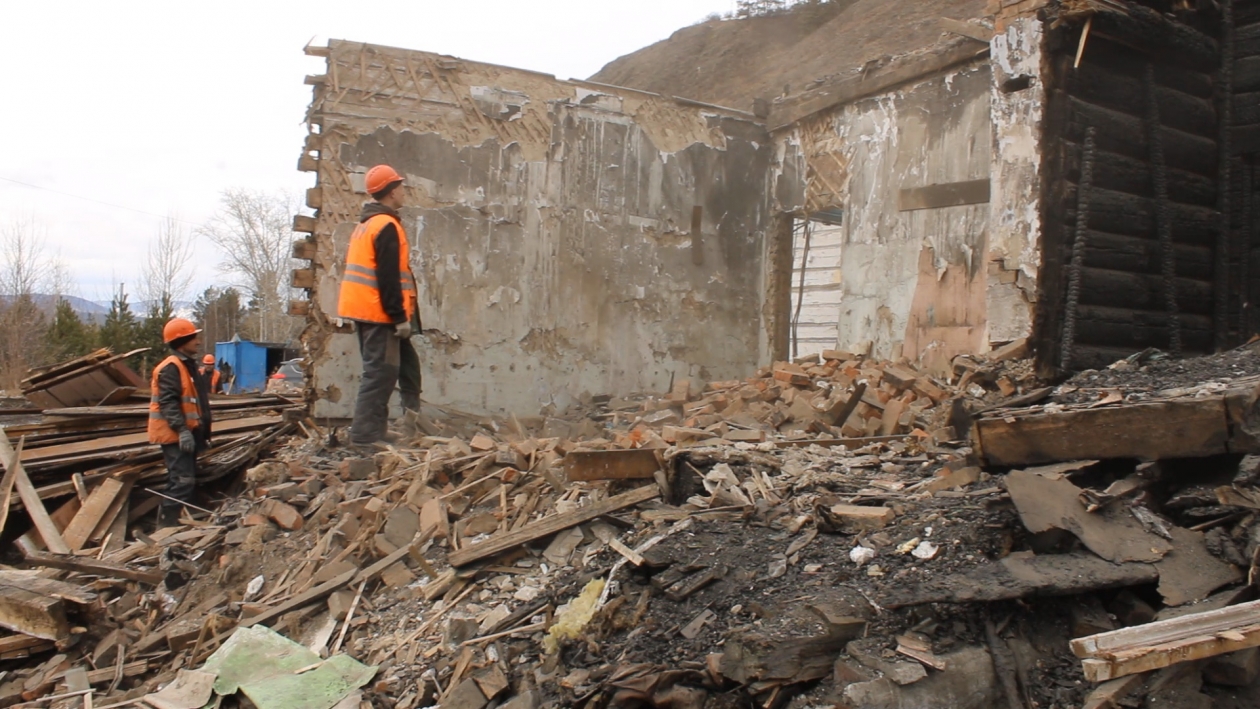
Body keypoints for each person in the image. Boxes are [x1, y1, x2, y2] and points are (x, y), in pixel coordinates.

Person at [337, 164, 422, 446]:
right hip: (378, 312)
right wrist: (399, 316)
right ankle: (364, 435)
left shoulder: (367, 224)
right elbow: (387, 277)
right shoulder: (386, 226)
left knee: (387, 370)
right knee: (379, 373)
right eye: (401, 187)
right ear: (392, 191)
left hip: (365, 309)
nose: (404, 192)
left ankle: (378, 428)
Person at [148, 318, 213, 526]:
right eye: (194, 337)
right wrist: (182, 431)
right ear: (182, 340)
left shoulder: (188, 366)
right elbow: (168, 403)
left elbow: (197, 403)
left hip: (188, 433)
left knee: (188, 479)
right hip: (175, 435)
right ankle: (166, 526)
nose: (199, 341)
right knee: (181, 480)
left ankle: (184, 523)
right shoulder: (171, 368)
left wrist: (202, 433)